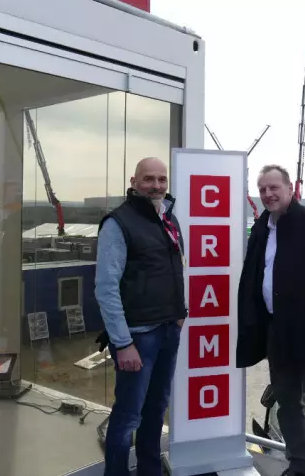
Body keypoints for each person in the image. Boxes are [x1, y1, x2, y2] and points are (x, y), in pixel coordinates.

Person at [236, 164, 305, 476]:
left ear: (290, 190)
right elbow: (253, 276)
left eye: (274, 188)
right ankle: (297, 465)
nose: (268, 194)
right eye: (262, 190)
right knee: (287, 405)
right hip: (278, 334)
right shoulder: (262, 227)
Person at [94, 157, 187, 476]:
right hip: (138, 337)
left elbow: (174, 272)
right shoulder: (117, 224)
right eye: (149, 179)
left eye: (162, 179)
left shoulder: (169, 221)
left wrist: (179, 316)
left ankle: (149, 471)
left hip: (168, 332)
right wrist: (122, 343)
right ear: (134, 182)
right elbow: (106, 288)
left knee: (155, 411)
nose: (157, 185)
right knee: (127, 418)